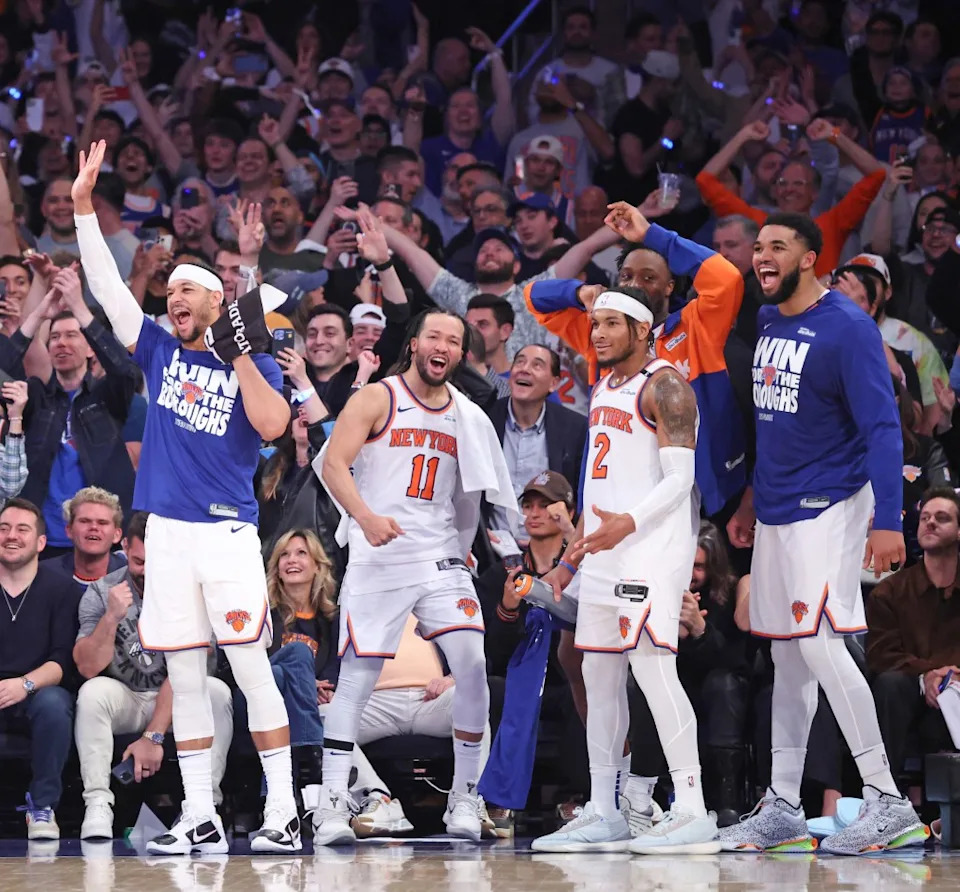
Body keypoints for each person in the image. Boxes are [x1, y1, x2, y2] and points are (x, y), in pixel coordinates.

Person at [71, 140, 300, 854]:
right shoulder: (158, 350)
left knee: (252, 667)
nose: (173, 297)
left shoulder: (251, 358)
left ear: (216, 301)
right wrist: (82, 208)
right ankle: (198, 813)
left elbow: (273, 426)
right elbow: (110, 290)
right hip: (165, 534)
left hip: (227, 532)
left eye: (187, 290)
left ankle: (284, 811)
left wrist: (238, 354)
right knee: (185, 672)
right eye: (169, 292)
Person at [722, 212, 927, 855]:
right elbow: (774, 424)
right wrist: (754, 498)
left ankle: (886, 799)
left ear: (811, 258)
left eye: (778, 247)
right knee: (786, 653)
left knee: (817, 647)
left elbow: (884, 429)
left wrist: (891, 522)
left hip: (831, 505)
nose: (762, 257)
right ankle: (783, 803)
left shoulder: (849, 329)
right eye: (757, 248)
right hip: (779, 509)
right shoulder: (766, 320)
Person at [316, 308, 516, 845]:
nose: (444, 346)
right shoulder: (378, 398)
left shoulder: (468, 416)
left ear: (459, 354)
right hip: (378, 550)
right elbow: (333, 463)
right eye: (435, 335)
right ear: (415, 344)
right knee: (357, 676)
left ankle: (465, 799)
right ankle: (334, 803)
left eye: (455, 340)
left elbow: (469, 493)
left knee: (472, 661)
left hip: (438, 555)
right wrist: (365, 517)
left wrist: (467, 550)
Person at [532, 284, 718, 855]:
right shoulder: (602, 387)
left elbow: (680, 482)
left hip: (650, 549)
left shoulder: (666, 386)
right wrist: (571, 558)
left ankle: (691, 808)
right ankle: (604, 808)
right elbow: (599, 484)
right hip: (606, 550)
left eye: (613, 323)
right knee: (599, 676)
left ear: (642, 330)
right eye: (596, 324)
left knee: (653, 670)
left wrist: (625, 526)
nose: (600, 333)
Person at [72, 511, 234, 839]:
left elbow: (191, 669)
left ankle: (203, 808)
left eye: (157, 562)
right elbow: (87, 667)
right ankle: (98, 804)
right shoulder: (103, 592)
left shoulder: (195, 593)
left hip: (179, 699)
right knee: (92, 693)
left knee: (217, 692)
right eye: (139, 562)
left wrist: (153, 736)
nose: (148, 572)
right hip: (127, 696)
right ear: (124, 548)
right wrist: (112, 618)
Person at [695, 120, 886, 275]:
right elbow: (705, 180)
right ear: (775, 191)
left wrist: (835, 135)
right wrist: (743, 136)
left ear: (814, 193)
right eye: (782, 183)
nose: (789, 189)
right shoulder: (756, 224)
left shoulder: (831, 224)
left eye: (798, 183)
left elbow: (876, 174)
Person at [867, 487, 960, 785]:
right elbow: (881, 655)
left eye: (942, 518)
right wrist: (928, 676)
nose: (930, 522)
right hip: (908, 693)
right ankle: (883, 795)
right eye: (926, 517)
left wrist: (950, 677)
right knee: (890, 684)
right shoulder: (890, 592)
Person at [0, 499, 77, 840]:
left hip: (34, 691)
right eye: (3, 529)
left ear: (41, 542)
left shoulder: (61, 589)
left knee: (55, 705)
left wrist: (24, 684)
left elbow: (63, 660)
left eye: (22, 529)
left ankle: (42, 809)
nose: (10, 536)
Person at [487, 344, 587, 526]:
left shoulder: (575, 429)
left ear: (554, 383)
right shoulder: (485, 419)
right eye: (520, 362)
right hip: (491, 544)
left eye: (537, 365)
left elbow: (580, 499)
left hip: (549, 546)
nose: (525, 369)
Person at [46, 486, 127, 593]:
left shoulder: (131, 576)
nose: (94, 527)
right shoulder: (46, 574)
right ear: (69, 530)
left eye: (102, 523)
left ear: (117, 535)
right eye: (84, 521)